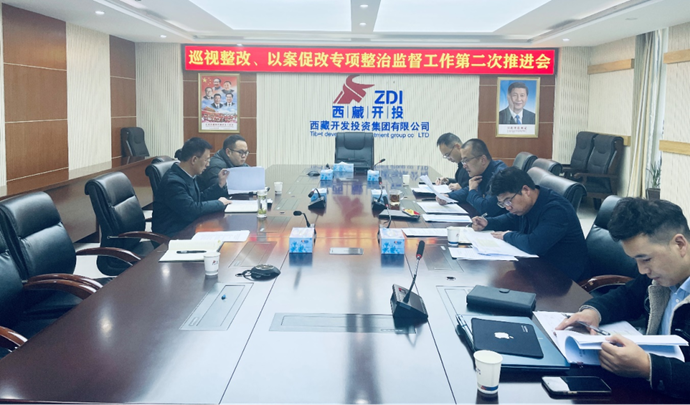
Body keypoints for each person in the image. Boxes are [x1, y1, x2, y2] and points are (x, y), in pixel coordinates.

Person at [557, 198, 690, 398]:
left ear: (680, 244)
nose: (642, 270)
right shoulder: (662, 277)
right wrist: (593, 312)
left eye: (646, 259)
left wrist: (648, 367)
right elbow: (627, 296)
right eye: (636, 260)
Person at [471, 167, 587, 281]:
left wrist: (507, 235)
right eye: (503, 203)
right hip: (537, 267)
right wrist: (488, 223)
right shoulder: (528, 203)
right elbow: (510, 219)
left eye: (508, 201)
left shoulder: (556, 209)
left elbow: (533, 244)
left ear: (526, 190)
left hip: (563, 278)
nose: (507, 207)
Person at [152, 137, 232, 237]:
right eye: (206, 160)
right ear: (194, 160)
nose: (208, 164)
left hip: (189, 226)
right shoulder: (173, 182)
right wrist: (219, 203)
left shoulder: (187, 175)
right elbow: (191, 210)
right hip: (173, 234)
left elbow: (199, 198)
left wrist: (220, 185)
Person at [436, 139, 507, 216]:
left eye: (466, 160)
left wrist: (472, 191)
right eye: (463, 161)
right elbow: (468, 190)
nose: (464, 166)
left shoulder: (500, 175)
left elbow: (486, 208)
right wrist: (448, 196)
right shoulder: (482, 171)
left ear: (483, 160)